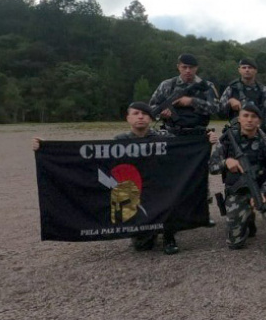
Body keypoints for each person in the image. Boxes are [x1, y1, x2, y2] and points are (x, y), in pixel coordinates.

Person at [32, 102, 218, 255]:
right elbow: (92, 159)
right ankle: (146, 232)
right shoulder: (119, 140)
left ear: (151, 118)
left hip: (158, 187)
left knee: (171, 201)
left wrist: (206, 141)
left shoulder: (164, 138)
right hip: (134, 189)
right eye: (135, 113)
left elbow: (183, 153)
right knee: (142, 246)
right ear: (128, 118)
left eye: (145, 114)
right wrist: (44, 147)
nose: (140, 117)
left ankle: (169, 235)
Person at [209, 104, 266, 258]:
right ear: (239, 118)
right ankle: (248, 219)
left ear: (259, 120)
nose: (249, 120)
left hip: (261, 189)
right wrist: (225, 163)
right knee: (235, 244)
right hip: (237, 192)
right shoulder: (227, 140)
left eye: (253, 117)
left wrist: (263, 191)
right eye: (245, 116)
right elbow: (212, 167)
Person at [149, 53, 219, 136]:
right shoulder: (167, 85)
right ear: (178, 67)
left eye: (191, 67)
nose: (188, 70)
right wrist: (162, 114)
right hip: (172, 135)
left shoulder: (207, 86)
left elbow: (216, 109)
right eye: (184, 67)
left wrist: (192, 101)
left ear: (196, 68)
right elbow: (152, 108)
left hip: (199, 136)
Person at [218, 58, 266, 132]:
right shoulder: (232, 89)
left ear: (255, 71)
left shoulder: (265, 91)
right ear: (239, 70)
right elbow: (219, 110)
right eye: (244, 67)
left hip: (259, 133)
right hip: (236, 133)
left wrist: (256, 125)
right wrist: (229, 102)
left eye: (250, 67)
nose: (247, 70)